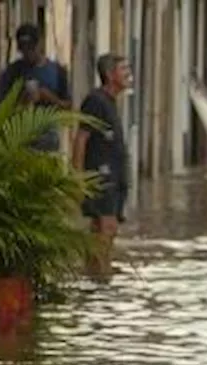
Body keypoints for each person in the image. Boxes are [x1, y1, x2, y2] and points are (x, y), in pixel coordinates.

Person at [72, 54, 132, 277]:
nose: (128, 74)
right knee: (104, 227)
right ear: (109, 74)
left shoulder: (110, 102)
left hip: (114, 178)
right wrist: (78, 178)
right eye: (123, 69)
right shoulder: (95, 101)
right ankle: (98, 274)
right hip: (101, 176)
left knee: (108, 227)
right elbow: (81, 139)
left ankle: (97, 273)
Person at [0, 23, 71, 152]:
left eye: (31, 48)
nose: (28, 53)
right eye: (23, 49)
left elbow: (68, 107)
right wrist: (23, 101)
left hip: (48, 135)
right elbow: (1, 110)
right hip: (19, 135)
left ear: (39, 44)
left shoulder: (57, 71)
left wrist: (49, 97)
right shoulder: (12, 72)